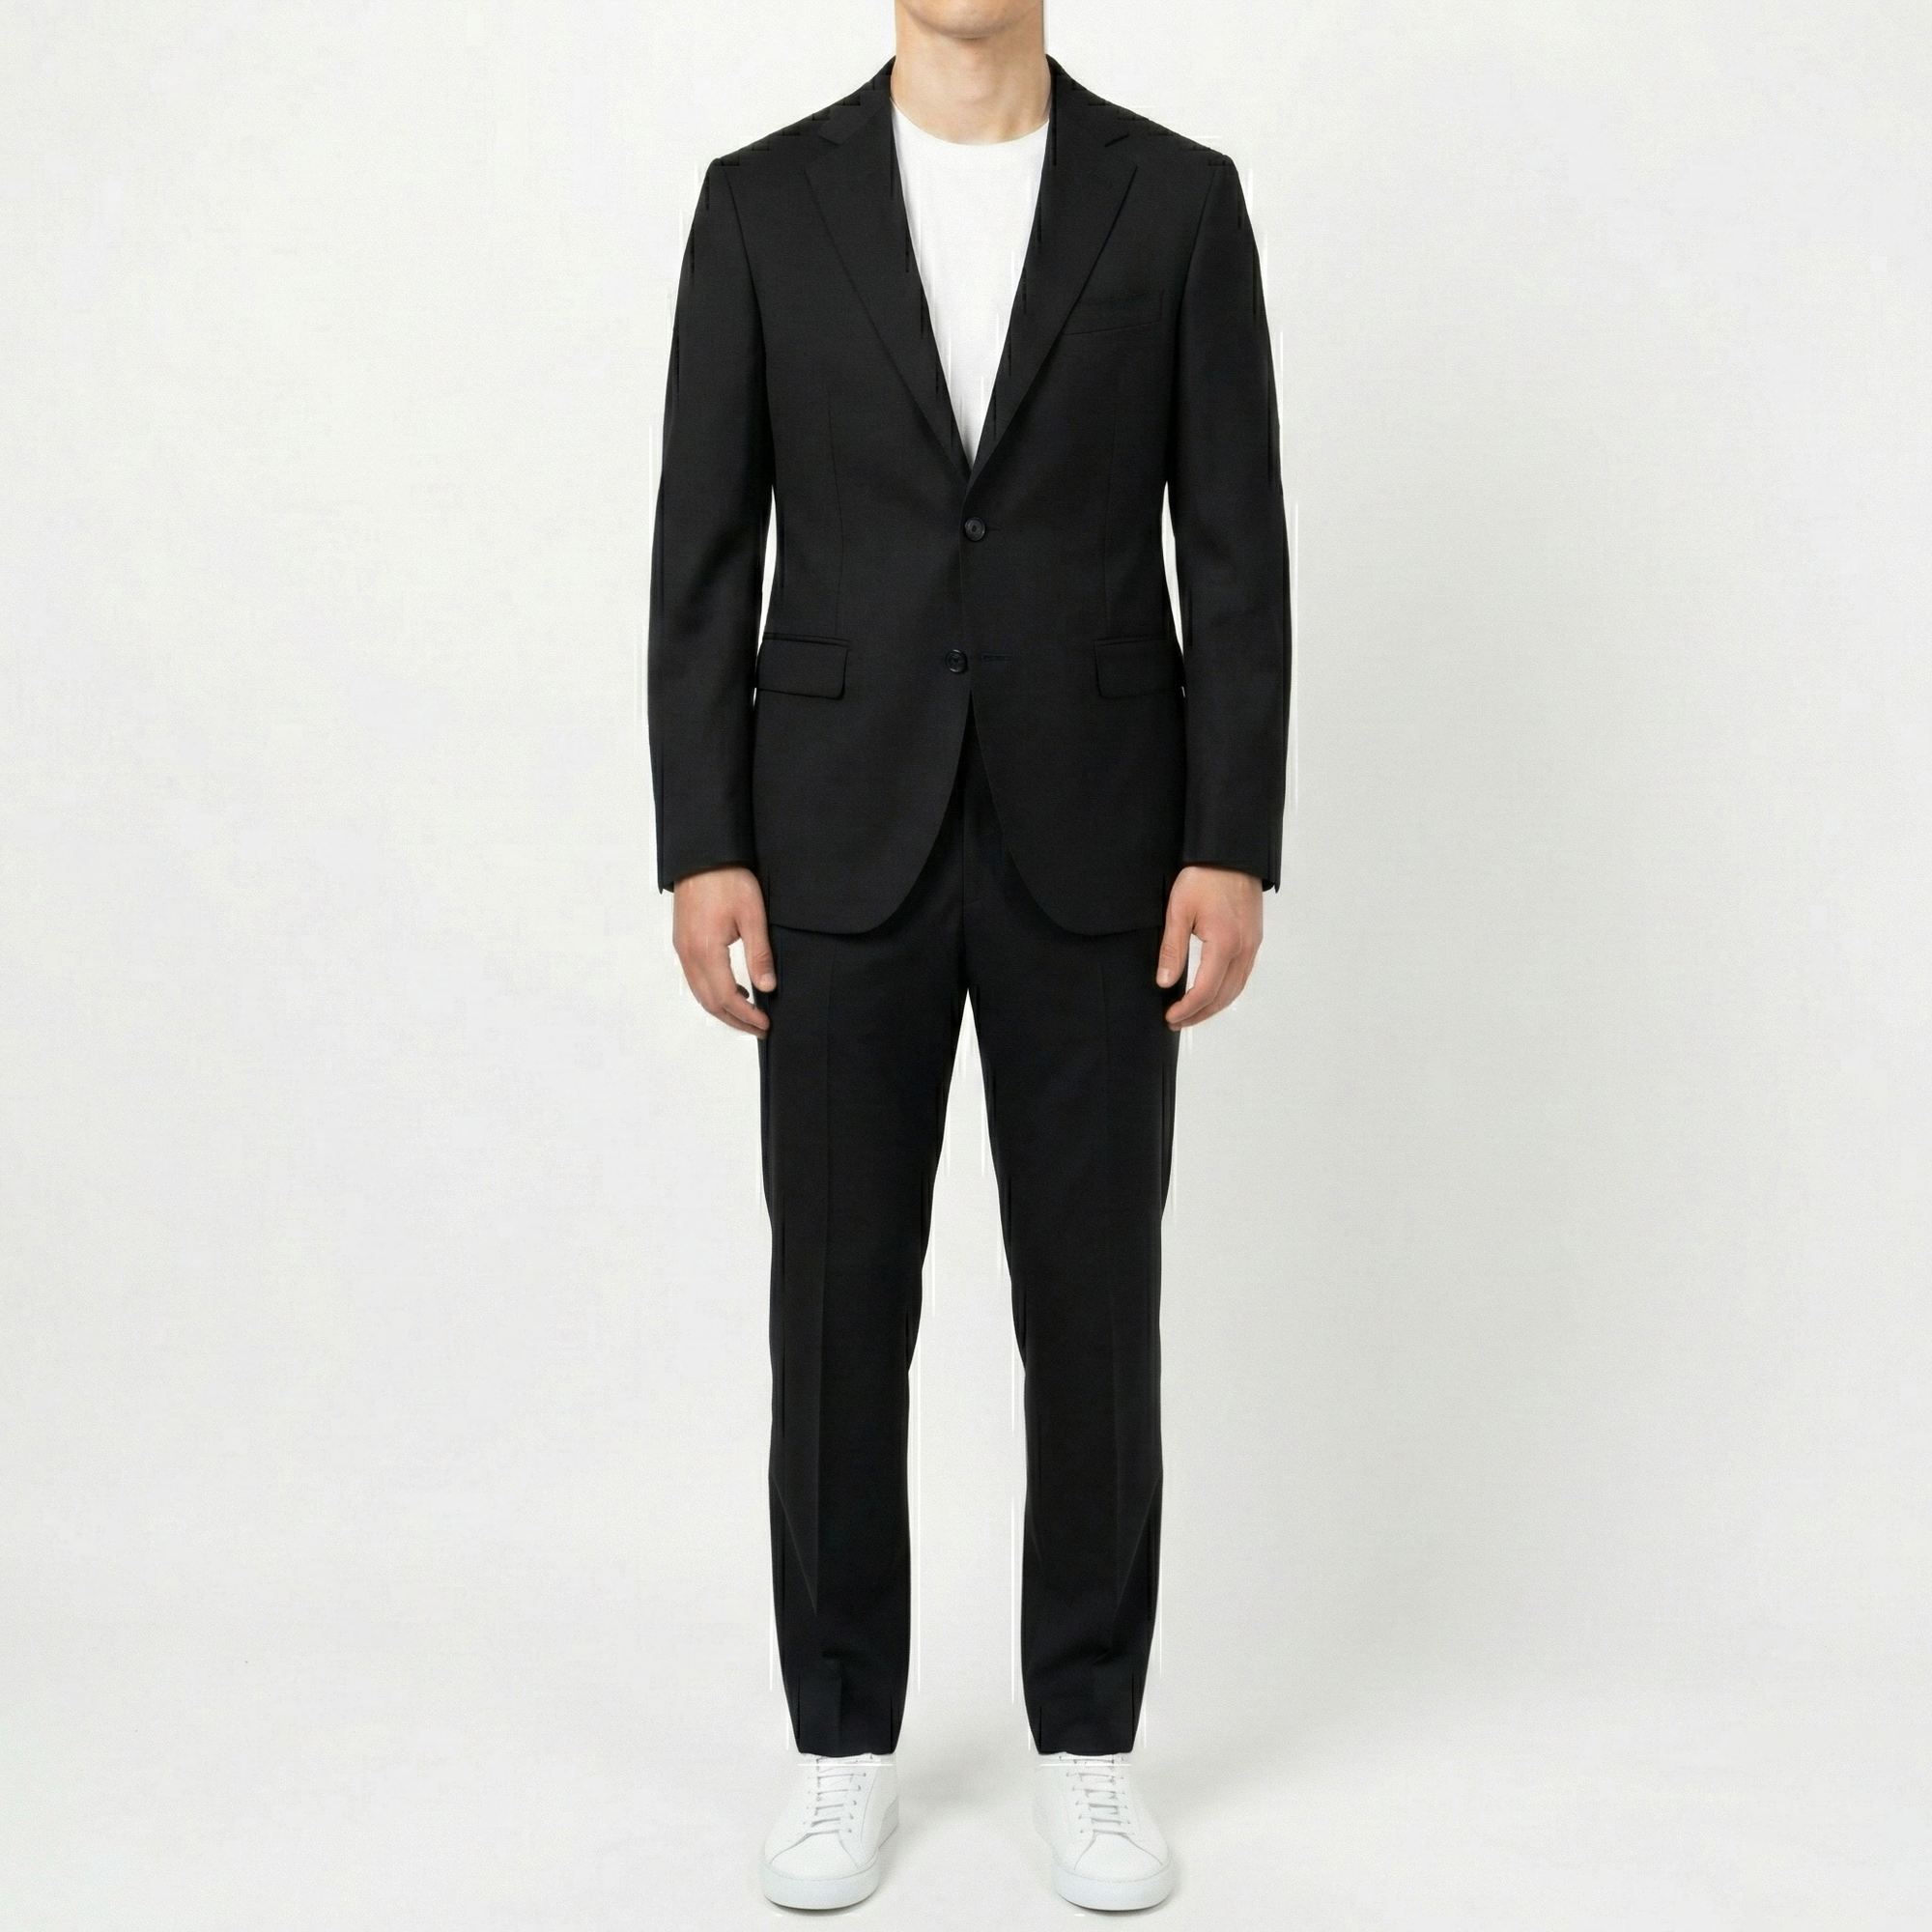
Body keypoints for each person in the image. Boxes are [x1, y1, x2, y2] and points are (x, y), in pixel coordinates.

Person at [647, 0, 1288, 1909]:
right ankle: (840, 1741)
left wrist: (1231, 839)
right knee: (837, 1311)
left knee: (1092, 1311)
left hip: (1103, 841)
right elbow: (704, 551)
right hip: (833, 841)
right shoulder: (762, 205)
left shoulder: (1178, 204)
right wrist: (703, 842)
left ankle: (1088, 1743)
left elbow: (1234, 547)